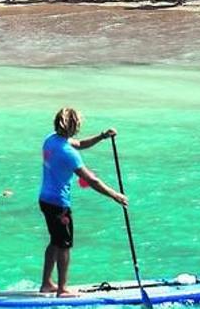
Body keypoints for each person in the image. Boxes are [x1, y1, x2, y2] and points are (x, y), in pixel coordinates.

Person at [39, 108, 127, 298]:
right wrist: (115, 195)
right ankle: (62, 289)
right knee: (64, 245)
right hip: (59, 205)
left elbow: (78, 143)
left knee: (55, 241)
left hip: (45, 199)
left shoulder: (51, 139)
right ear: (72, 126)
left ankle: (46, 283)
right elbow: (92, 181)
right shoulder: (68, 153)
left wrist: (102, 136)